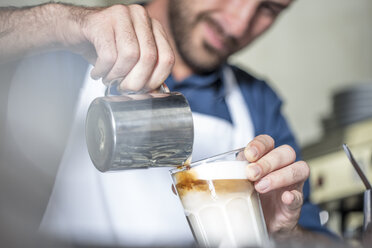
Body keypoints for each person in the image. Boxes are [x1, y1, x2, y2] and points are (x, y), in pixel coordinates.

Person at [0, 0, 336, 246]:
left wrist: (282, 235)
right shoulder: (68, 60)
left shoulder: (257, 102)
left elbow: (321, 242)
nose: (238, 23)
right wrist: (59, 23)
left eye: (270, 8)